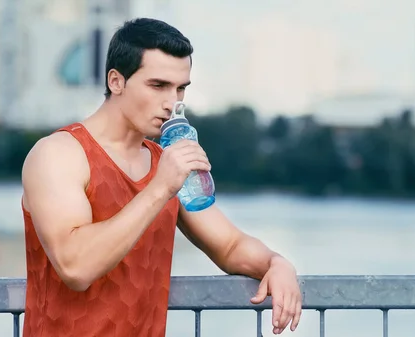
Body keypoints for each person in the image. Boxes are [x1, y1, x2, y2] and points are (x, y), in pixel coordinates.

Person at [20, 17, 302, 337]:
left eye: (181, 88)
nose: (173, 103)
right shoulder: (58, 154)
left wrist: (277, 263)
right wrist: (161, 188)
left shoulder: (165, 162)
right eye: (158, 86)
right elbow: (75, 267)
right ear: (116, 81)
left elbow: (230, 245)